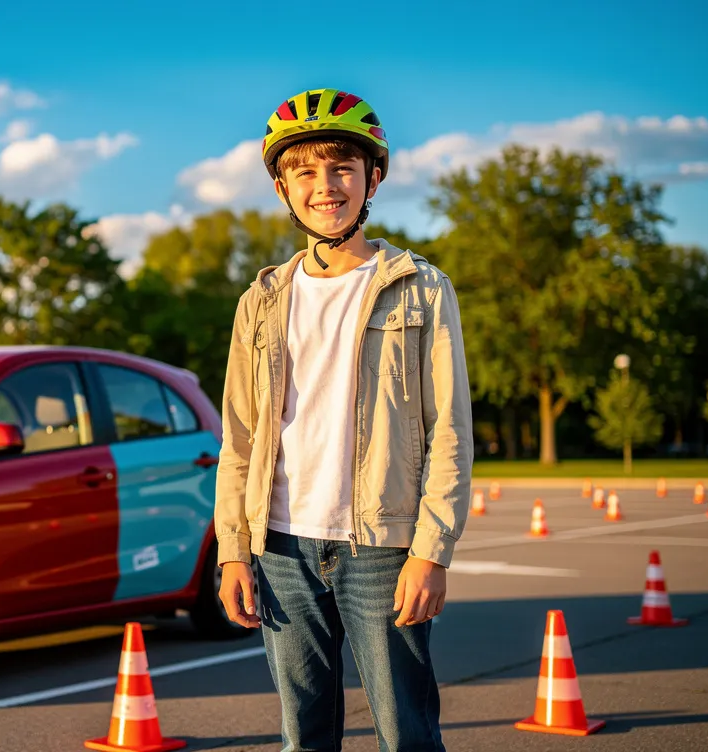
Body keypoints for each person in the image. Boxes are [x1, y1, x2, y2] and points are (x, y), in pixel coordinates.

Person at [213, 88, 474, 751]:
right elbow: (240, 437)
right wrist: (233, 551)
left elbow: (449, 427)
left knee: (407, 733)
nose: (324, 186)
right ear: (282, 187)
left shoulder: (420, 285)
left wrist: (430, 551)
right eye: (304, 171)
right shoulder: (261, 301)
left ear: (372, 178)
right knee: (304, 737)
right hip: (280, 548)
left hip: (382, 548)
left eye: (341, 168)